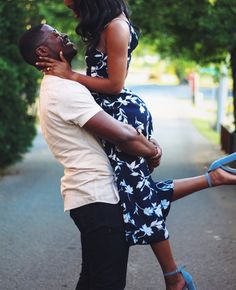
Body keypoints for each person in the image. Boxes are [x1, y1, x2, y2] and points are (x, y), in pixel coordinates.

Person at [22, 24, 236, 290]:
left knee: (94, 281)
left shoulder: (66, 83)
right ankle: (174, 278)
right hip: (97, 200)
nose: (64, 35)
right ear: (43, 50)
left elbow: (143, 184)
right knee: (106, 283)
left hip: (97, 196)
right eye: (56, 35)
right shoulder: (62, 89)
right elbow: (122, 136)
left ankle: (175, 275)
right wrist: (151, 150)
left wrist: (145, 143)